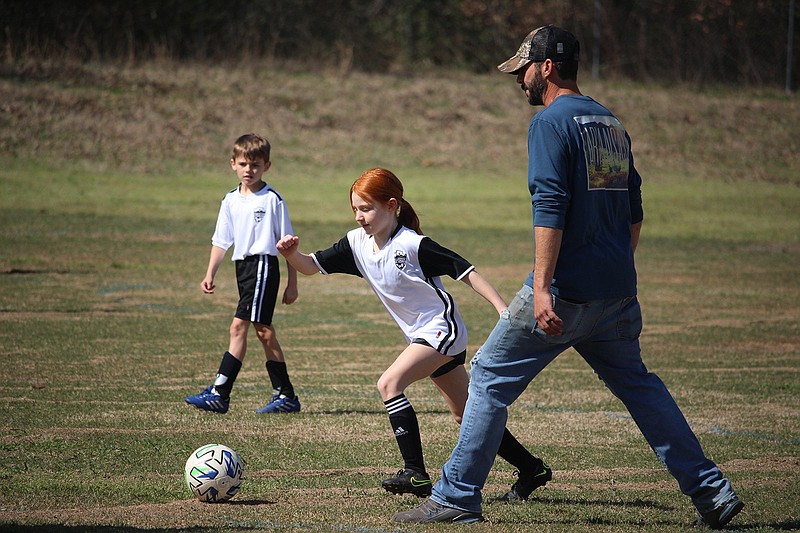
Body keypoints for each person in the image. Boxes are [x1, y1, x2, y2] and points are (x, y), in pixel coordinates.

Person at [394, 25, 744, 528]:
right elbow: (634, 209)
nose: (520, 80)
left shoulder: (551, 123)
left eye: (524, 70)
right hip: (617, 293)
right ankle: (712, 493)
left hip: (565, 293)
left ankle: (456, 497)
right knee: (642, 390)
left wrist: (541, 289)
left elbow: (550, 206)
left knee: (488, 376)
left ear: (548, 68)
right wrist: (617, 269)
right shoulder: (610, 123)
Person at [276, 167, 551, 499]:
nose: (360, 217)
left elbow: (465, 271)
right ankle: (531, 468)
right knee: (466, 415)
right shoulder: (355, 244)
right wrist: (291, 254)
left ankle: (415, 473)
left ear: (392, 205)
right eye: (355, 210)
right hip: (422, 335)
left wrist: (501, 309)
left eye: (367, 208)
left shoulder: (412, 244)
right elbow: (309, 265)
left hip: (441, 330)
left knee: (389, 384)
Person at [185, 133, 301, 415]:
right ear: (233, 164)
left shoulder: (272, 200)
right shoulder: (230, 200)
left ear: (267, 166)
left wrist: (292, 284)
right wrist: (210, 273)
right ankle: (285, 395)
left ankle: (220, 392)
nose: (249, 170)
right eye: (243, 164)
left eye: (255, 165)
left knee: (241, 327)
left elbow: (288, 244)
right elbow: (221, 240)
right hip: (244, 269)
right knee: (263, 332)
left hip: (264, 266)